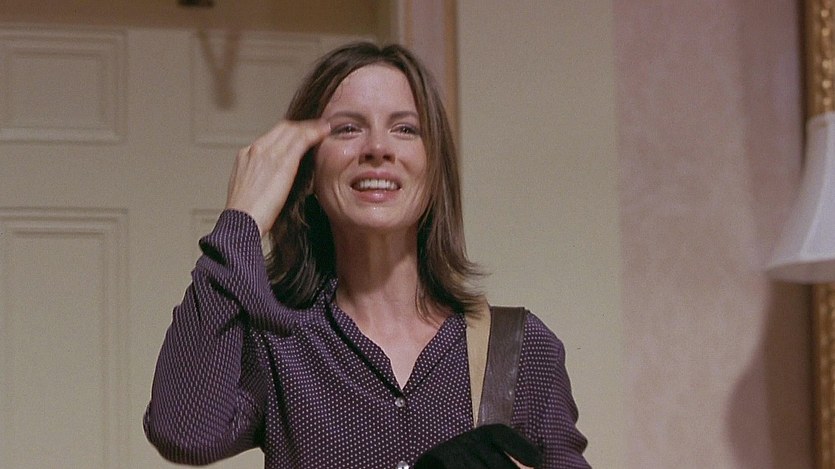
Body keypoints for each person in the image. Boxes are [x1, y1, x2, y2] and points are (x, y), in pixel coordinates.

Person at [143, 42, 589, 469]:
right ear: (307, 171)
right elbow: (183, 431)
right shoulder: (277, 342)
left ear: (435, 170)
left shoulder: (517, 349)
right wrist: (241, 220)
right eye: (348, 128)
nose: (378, 148)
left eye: (405, 129)